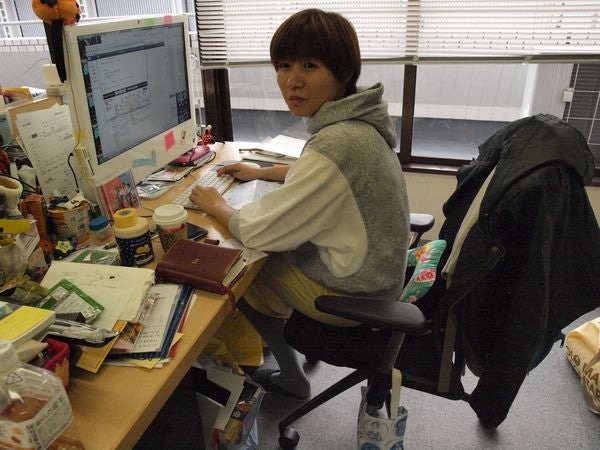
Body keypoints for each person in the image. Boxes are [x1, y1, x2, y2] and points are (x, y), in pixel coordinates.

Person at [189, 8, 410, 400]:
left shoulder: (336, 144)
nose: (292, 80)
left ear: (342, 71)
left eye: (310, 65)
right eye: (284, 65)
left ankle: (292, 377)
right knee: (270, 247)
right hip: (378, 276)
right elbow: (323, 176)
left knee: (242, 268)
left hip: (353, 293)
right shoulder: (358, 124)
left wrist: (215, 205)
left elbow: (256, 230)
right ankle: (290, 343)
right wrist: (261, 172)